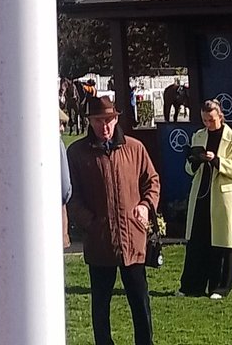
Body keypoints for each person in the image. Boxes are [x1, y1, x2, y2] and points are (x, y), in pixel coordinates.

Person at [67, 95, 160, 345]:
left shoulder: (134, 148)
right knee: (101, 304)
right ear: (89, 122)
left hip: (133, 240)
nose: (104, 126)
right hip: (100, 242)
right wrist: (90, 223)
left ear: (116, 118)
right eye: (98, 121)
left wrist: (145, 206)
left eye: (108, 120)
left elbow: (152, 181)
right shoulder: (76, 152)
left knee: (140, 302)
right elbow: (70, 194)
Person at [178, 98, 232, 299]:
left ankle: (221, 286)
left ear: (220, 116)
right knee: (197, 241)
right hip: (201, 195)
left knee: (224, 242)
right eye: (204, 120)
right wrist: (194, 162)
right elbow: (188, 167)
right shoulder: (198, 136)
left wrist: (217, 160)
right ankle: (192, 286)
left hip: (223, 197)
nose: (208, 124)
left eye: (211, 119)